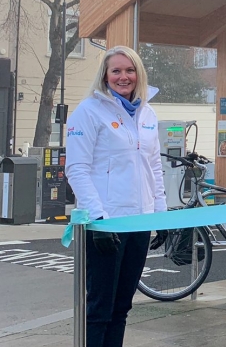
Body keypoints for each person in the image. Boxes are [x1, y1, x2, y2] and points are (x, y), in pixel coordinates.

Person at [66, 46, 167, 347]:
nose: (124, 77)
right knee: (100, 308)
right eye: (116, 71)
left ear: (138, 73)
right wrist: (97, 217)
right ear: (105, 76)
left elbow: (154, 167)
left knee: (122, 306)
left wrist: (160, 215)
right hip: (106, 224)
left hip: (139, 222)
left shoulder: (147, 113)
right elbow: (77, 169)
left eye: (130, 70)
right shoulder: (89, 111)